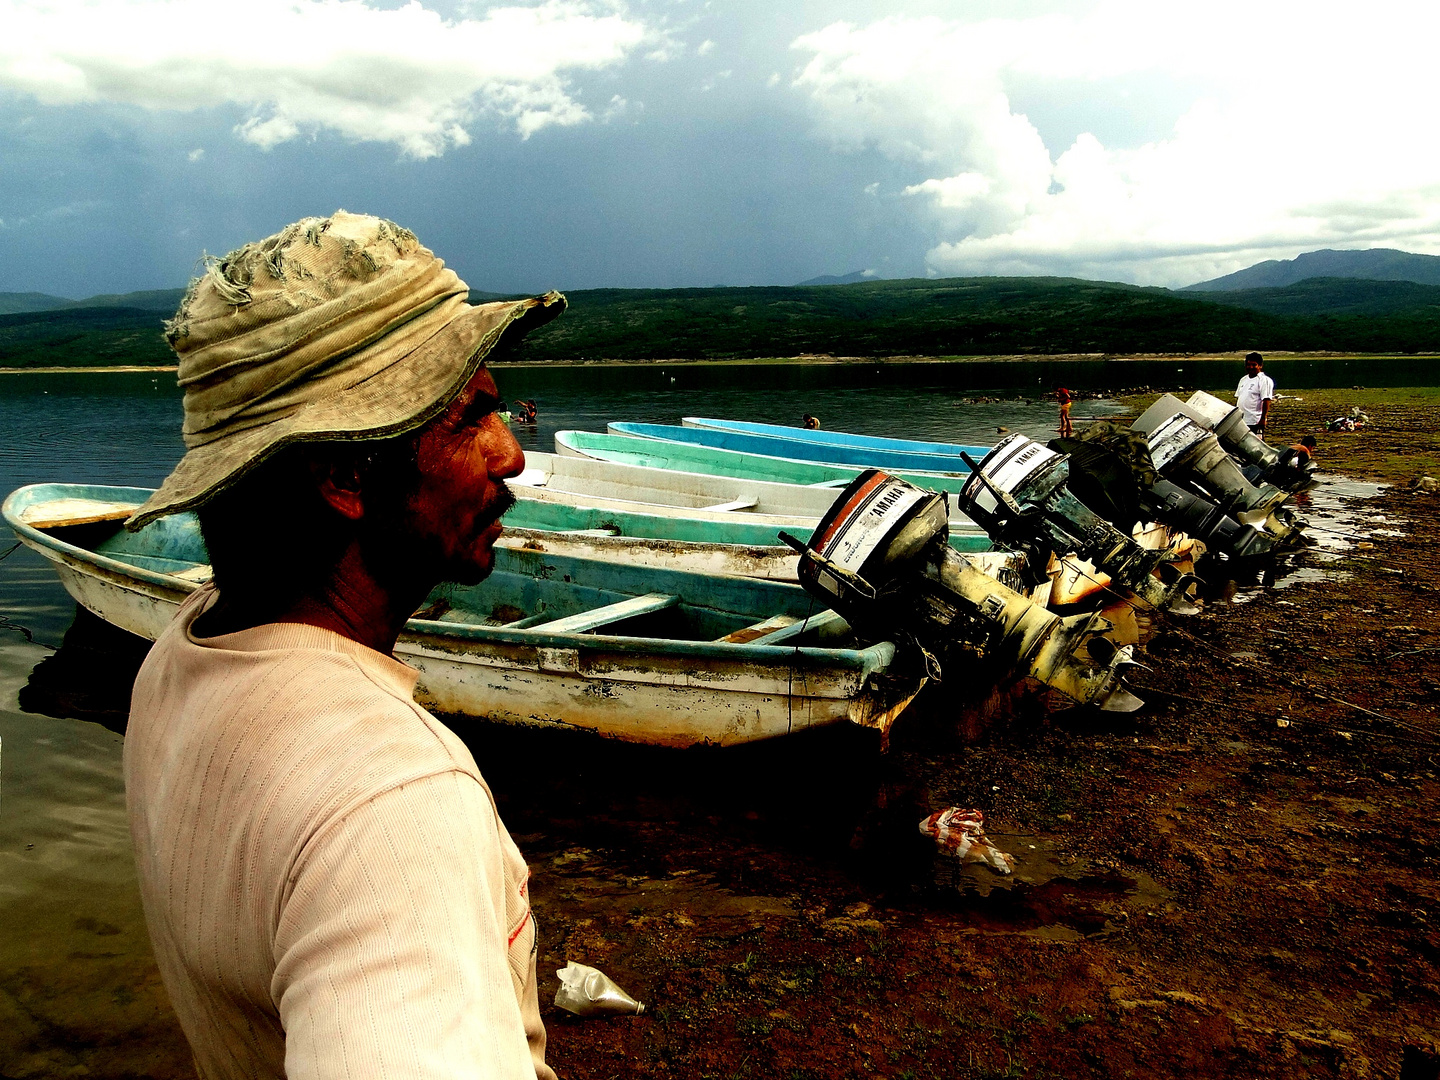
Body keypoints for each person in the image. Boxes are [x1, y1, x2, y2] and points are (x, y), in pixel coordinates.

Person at [122, 211, 563, 1080]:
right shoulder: (394, 803)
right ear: (344, 477)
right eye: (471, 418)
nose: (511, 455)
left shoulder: (182, 652)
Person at [1237, 351, 1275, 435]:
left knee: (1256, 444)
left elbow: (1266, 400)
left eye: (1254, 365)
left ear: (1260, 366)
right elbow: (1239, 398)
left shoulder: (1264, 380)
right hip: (1241, 420)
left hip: (1255, 421)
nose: (1251, 367)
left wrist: (1263, 419)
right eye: (1248, 364)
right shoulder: (1243, 380)